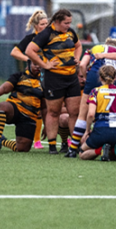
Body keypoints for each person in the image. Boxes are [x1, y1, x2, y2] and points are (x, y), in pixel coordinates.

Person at [25, 8, 82, 154]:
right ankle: (52, 146)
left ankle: (75, 145)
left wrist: (77, 58)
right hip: (54, 78)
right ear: (57, 22)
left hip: (71, 78)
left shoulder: (70, 32)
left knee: (74, 112)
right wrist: (45, 65)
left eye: (70, 22)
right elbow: (29, 51)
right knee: (54, 112)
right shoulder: (46, 34)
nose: (68, 25)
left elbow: (78, 45)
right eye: (66, 23)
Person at [65, 37, 116, 158]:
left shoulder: (94, 49)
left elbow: (83, 65)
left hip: (94, 75)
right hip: (114, 78)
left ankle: (72, 149)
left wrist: (86, 77)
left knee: (82, 114)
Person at [10, 10, 48, 150]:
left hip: (50, 74)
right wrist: (31, 59)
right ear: (36, 26)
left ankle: (64, 139)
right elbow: (14, 52)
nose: (45, 26)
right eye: (42, 24)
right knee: (37, 106)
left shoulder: (51, 38)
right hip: (35, 77)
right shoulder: (31, 38)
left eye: (47, 23)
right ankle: (37, 140)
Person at [0, 60, 46, 152]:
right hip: (15, 109)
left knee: (23, 148)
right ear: (29, 64)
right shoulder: (19, 76)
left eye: (40, 65)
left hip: (30, 117)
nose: (37, 67)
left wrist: (46, 126)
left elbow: (44, 107)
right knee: (3, 106)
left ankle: (4, 141)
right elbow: (6, 87)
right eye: (35, 64)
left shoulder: (45, 82)